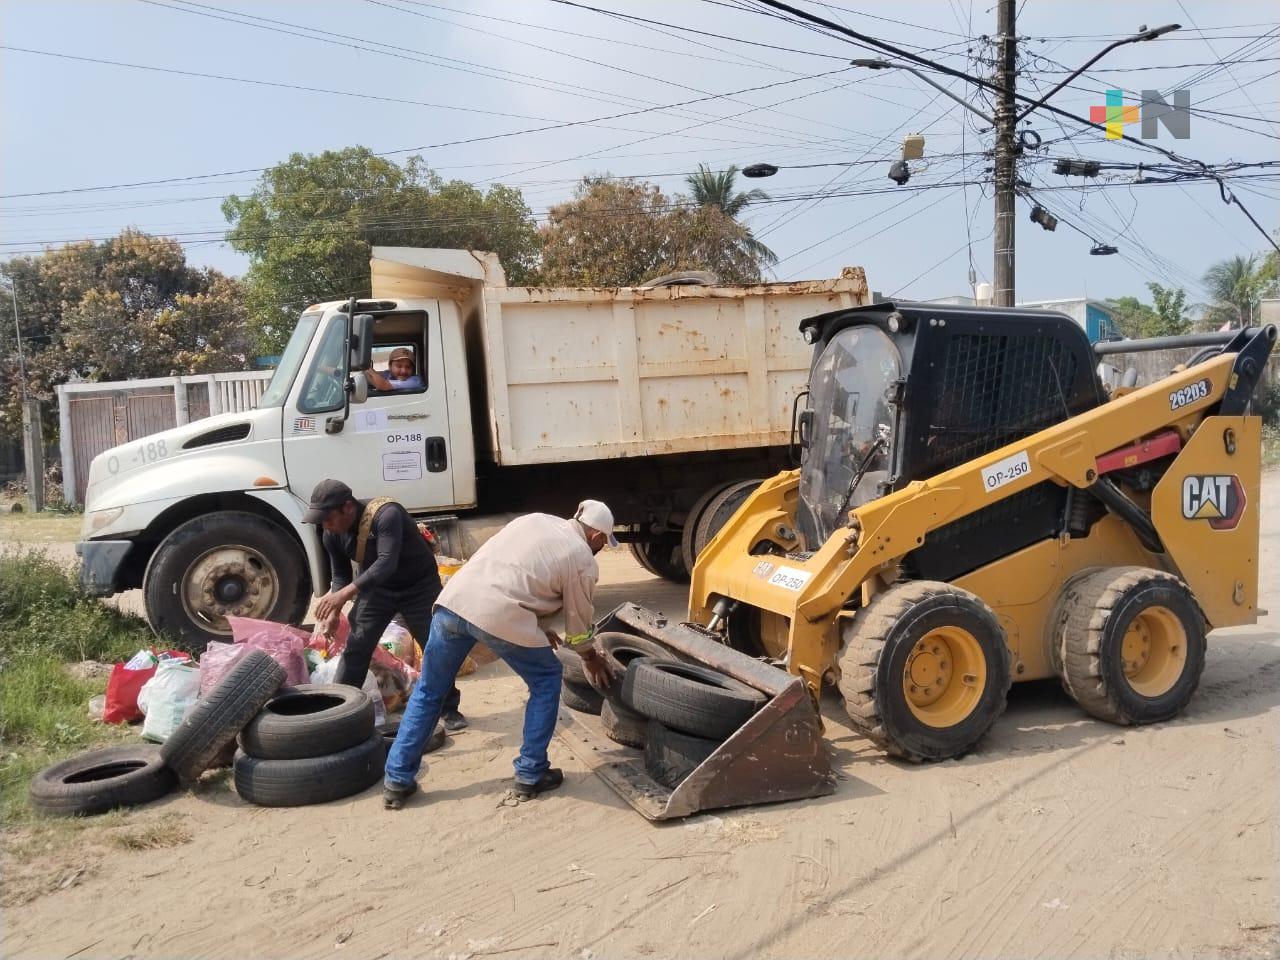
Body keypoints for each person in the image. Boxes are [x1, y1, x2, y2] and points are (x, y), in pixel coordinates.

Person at [382, 500, 620, 809]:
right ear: (598, 537)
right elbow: (578, 627)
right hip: (497, 615)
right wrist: (591, 657)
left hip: (453, 603)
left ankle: (397, 780)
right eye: (604, 542)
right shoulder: (583, 559)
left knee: (429, 690)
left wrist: (535, 628)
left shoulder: (536, 518)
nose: (601, 547)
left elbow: (520, 574)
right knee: (547, 680)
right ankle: (531, 773)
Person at [305, 479, 466, 731]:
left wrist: (342, 596)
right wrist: (334, 610)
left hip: (418, 587)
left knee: (434, 648)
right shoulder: (330, 534)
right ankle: (340, 711)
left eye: (328, 518)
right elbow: (341, 576)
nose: (325, 525)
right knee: (356, 647)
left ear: (347, 507)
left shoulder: (386, 514)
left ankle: (449, 707)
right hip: (377, 589)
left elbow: (386, 563)